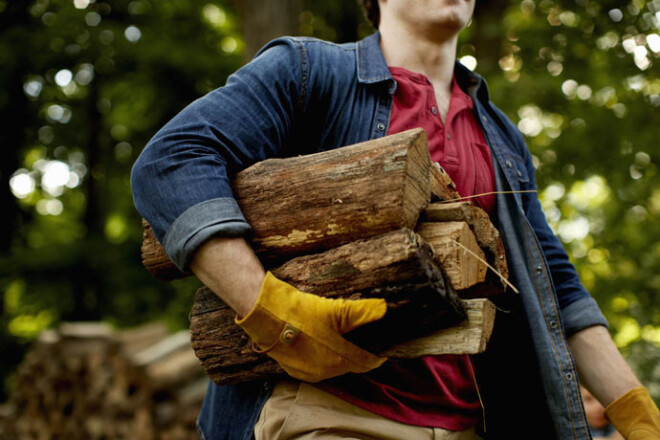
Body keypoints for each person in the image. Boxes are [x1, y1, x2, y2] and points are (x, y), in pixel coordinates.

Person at [131, 0, 660, 438]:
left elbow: (558, 290)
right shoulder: (310, 72)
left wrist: (635, 411)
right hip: (330, 415)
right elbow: (173, 160)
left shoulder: (502, 138)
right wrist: (274, 314)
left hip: (472, 425)